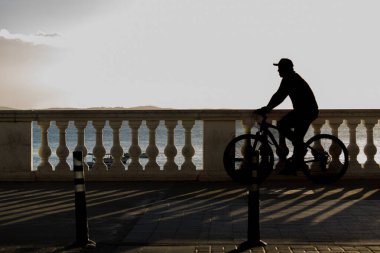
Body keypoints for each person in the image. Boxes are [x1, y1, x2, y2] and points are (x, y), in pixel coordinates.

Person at [257, 58, 319, 175]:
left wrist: (267, 108)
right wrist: (268, 107)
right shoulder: (291, 77)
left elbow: (279, 96)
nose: (278, 70)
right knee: (295, 137)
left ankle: (299, 151)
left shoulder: (290, 79)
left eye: (280, 68)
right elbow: (279, 95)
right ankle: (295, 163)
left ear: (286, 69)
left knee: (282, 125)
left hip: (306, 112)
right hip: (304, 111)